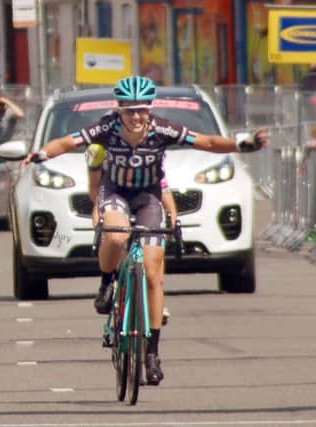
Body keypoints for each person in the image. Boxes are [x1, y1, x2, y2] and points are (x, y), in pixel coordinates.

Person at [24, 75, 270, 386]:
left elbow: (206, 142)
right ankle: (107, 281)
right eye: (130, 111)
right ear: (120, 110)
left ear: (149, 110)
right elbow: (66, 143)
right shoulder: (105, 127)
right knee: (114, 235)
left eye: (142, 110)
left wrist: (241, 144)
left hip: (149, 197)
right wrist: (42, 154)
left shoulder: (162, 129)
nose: (136, 117)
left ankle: (152, 352)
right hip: (115, 192)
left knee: (154, 274)